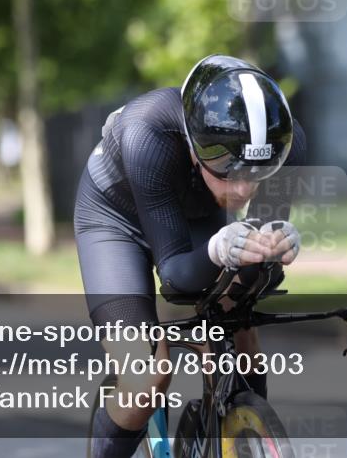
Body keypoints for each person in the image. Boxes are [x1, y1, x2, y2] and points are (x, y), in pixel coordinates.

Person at [75, 54, 306, 458]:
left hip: (193, 212)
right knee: (148, 374)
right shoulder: (147, 131)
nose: (243, 192)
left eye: (258, 173)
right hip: (114, 221)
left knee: (239, 324)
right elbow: (177, 276)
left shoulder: (284, 139)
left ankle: (237, 423)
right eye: (226, 171)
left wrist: (276, 244)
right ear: (194, 147)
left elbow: (260, 270)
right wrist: (219, 248)